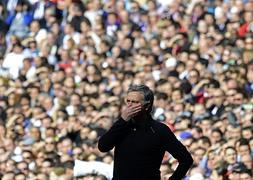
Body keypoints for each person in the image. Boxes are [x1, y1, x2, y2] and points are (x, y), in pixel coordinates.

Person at [98, 84, 193, 180]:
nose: (129, 105)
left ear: (147, 106)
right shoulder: (122, 126)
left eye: (135, 102)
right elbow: (103, 146)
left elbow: (186, 159)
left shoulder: (159, 130)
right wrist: (122, 120)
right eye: (128, 101)